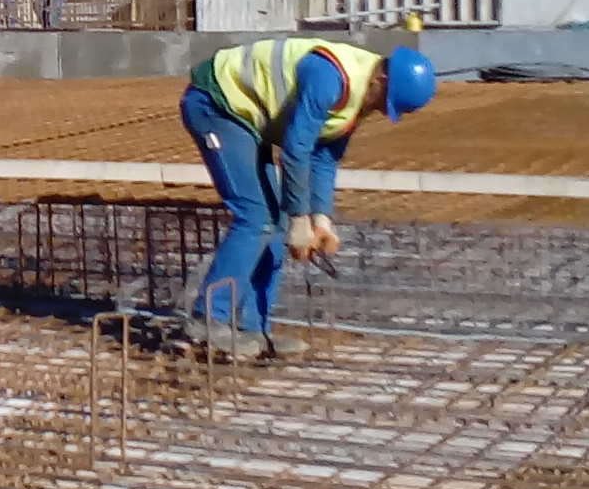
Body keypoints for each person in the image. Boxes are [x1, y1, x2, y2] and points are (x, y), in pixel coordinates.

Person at [179, 39, 437, 358]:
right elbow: (296, 150)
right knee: (258, 217)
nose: (384, 111)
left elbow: (325, 159)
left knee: (277, 222)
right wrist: (301, 220)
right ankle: (208, 319)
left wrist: (321, 220)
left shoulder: (361, 96)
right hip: (216, 103)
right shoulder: (329, 75)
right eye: (386, 102)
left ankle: (254, 329)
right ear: (380, 80)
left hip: (250, 118)